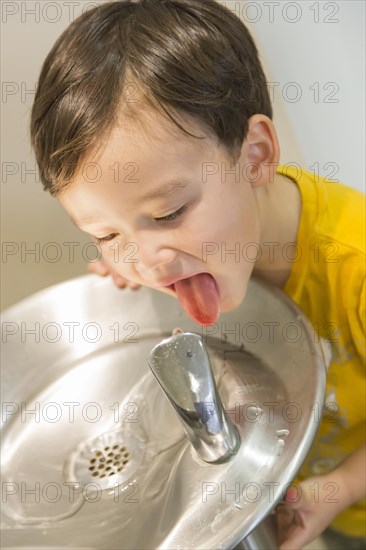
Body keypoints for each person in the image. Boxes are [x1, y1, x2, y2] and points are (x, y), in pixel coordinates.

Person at [30, 1, 365, 548]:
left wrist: (343, 487)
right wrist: (130, 283)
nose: (147, 260)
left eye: (168, 214)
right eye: (107, 234)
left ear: (255, 155)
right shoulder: (194, 254)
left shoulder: (354, 264)